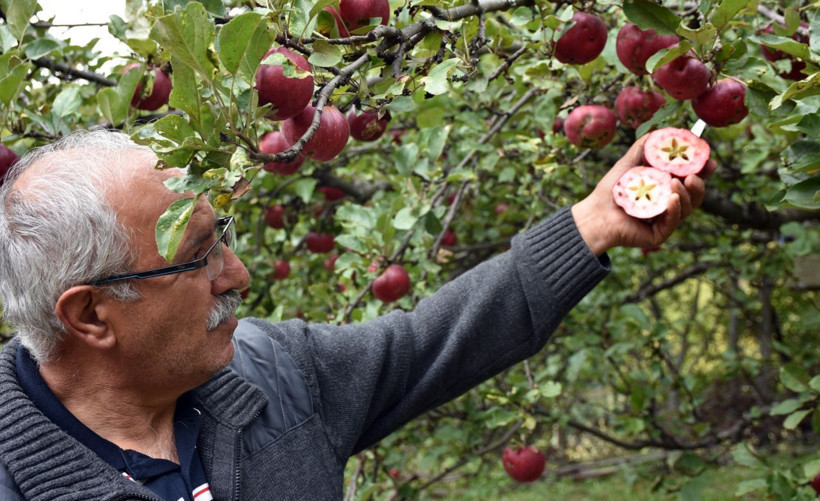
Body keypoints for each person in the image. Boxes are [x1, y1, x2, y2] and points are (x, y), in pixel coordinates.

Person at [0, 128, 712, 500]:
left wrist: (592, 224)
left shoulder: (277, 375)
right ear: (91, 316)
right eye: (197, 257)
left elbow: (431, 343)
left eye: (224, 238)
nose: (237, 275)